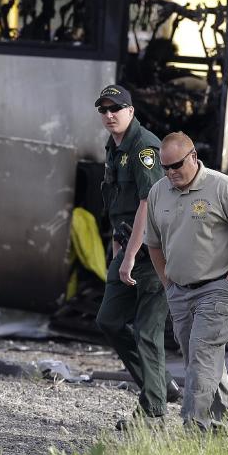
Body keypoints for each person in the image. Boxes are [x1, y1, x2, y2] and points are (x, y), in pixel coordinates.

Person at [145, 132, 228, 432]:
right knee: (204, 360)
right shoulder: (159, 192)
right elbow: (154, 243)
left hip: (217, 289)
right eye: (165, 167)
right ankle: (220, 428)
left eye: (176, 165)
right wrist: (167, 283)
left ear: (194, 157)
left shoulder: (223, 188)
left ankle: (193, 427)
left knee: (200, 356)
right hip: (180, 292)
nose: (170, 173)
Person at [93, 84, 179, 430]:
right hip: (127, 247)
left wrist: (128, 256)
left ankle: (152, 414)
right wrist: (119, 248)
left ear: (131, 111)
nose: (110, 114)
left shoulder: (145, 147)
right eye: (103, 109)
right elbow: (119, 205)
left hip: (154, 253)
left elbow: (149, 201)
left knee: (147, 331)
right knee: (109, 321)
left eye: (116, 108)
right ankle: (160, 386)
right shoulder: (115, 149)